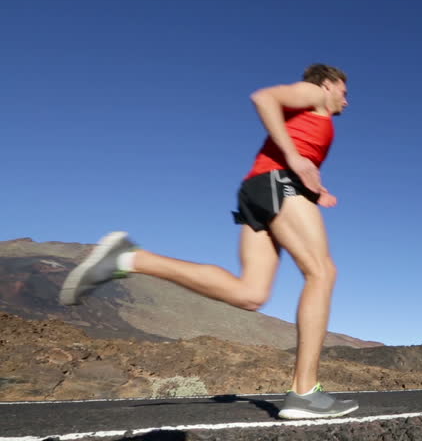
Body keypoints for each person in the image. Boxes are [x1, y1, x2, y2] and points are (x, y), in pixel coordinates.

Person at [60, 64, 358, 420]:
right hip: (278, 183)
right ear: (326, 85)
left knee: (251, 293)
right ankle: (305, 392)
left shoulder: (317, 118)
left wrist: (315, 184)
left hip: (261, 190)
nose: (346, 99)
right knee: (322, 272)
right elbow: (265, 97)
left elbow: (298, 148)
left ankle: (128, 259)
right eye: (343, 90)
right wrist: (295, 159)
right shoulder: (313, 95)